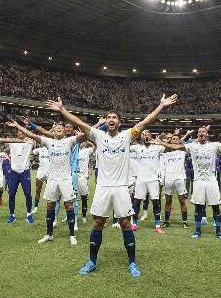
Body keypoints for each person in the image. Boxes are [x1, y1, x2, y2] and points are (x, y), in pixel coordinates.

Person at [45, 93, 177, 278]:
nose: (111, 120)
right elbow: (80, 124)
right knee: (98, 223)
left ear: (120, 122)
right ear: (105, 122)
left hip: (121, 187)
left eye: (114, 117)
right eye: (108, 117)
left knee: (125, 224)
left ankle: (132, 263)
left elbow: (146, 122)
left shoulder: (127, 136)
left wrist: (161, 106)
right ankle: (92, 261)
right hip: (103, 188)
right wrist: (62, 109)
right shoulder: (98, 136)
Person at [155, 126, 221, 240]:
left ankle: (218, 232)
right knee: (198, 207)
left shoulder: (213, 145)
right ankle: (198, 231)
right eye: (199, 132)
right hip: (198, 181)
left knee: (215, 207)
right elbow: (176, 146)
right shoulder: (192, 146)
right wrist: (162, 143)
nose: (201, 133)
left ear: (207, 134)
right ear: (197, 135)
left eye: (203, 131)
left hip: (211, 180)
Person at [7, 120, 85, 245]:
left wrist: (84, 129)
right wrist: (18, 126)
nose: (59, 128)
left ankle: (72, 235)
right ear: (52, 131)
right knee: (50, 206)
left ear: (65, 131)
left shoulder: (69, 141)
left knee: (68, 206)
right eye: (57, 127)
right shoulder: (48, 141)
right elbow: (32, 135)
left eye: (61, 127)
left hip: (65, 179)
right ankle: (49, 235)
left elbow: (86, 133)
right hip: (52, 179)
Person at [130, 130, 166, 233]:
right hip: (141, 179)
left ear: (151, 136)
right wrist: (134, 136)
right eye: (144, 135)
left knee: (155, 202)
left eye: (148, 134)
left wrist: (159, 141)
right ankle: (134, 224)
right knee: (136, 201)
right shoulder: (137, 147)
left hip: (153, 180)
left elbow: (169, 148)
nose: (146, 136)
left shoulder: (157, 148)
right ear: (141, 138)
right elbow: (125, 145)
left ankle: (158, 226)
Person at [161, 132, 189, 229]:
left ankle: (184, 221)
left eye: (177, 139)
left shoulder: (182, 150)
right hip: (169, 179)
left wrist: (182, 138)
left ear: (179, 141)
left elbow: (184, 144)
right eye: (173, 139)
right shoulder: (165, 151)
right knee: (168, 201)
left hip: (180, 179)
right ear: (170, 140)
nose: (175, 140)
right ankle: (166, 221)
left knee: (182, 201)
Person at [77, 141, 95, 224]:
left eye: (82, 141)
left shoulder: (87, 150)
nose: (80, 143)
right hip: (73, 176)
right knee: (71, 197)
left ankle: (84, 216)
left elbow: (95, 145)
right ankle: (70, 216)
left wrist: (87, 141)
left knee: (84, 197)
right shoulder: (74, 149)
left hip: (82, 177)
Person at [31, 144, 51, 213]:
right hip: (40, 172)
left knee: (51, 191)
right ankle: (35, 207)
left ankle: (50, 207)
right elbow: (31, 153)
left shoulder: (52, 148)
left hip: (50, 173)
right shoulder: (39, 149)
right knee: (38, 190)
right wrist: (33, 160)